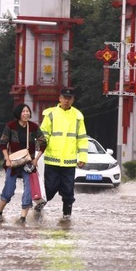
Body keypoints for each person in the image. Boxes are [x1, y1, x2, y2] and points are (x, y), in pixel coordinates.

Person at [36, 87, 88, 221]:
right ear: (59, 98)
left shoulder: (78, 116)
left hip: (69, 162)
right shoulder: (51, 114)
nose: (66, 100)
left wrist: (82, 157)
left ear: (73, 100)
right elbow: (43, 134)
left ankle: (66, 218)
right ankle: (37, 211)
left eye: (69, 98)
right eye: (64, 97)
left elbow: (82, 138)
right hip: (52, 160)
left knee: (68, 192)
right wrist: (39, 150)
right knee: (49, 190)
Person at [0, 103, 46, 223]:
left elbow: (43, 143)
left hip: (28, 164)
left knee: (29, 190)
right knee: (9, 189)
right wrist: (7, 159)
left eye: (28, 111)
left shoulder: (33, 127)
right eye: (23, 112)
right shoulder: (11, 126)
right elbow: (3, 143)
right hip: (13, 163)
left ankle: (22, 218)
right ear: (18, 114)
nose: (26, 114)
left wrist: (36, 159)